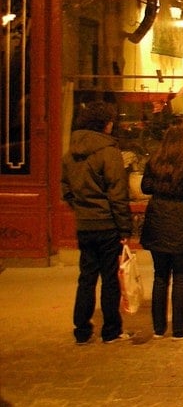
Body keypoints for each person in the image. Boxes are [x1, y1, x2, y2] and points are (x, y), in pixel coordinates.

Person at [61, 100, 134, 344]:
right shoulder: (108, 152)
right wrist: (124, 228)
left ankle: (82, 330)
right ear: (104, 124)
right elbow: (117, 192)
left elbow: (66, 188)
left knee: (86, 277)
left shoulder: (71, 152)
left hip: (85, 224)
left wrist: (80, 208)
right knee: (110, 279)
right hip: (107, 224)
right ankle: (111, 330)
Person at [140, 117, 183, 340]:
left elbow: (145, 187)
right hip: (182, 219)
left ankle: (159, 328)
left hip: (157, 218)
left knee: (160, 276)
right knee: (181, 277)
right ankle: (179, 328)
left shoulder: (156, 161)